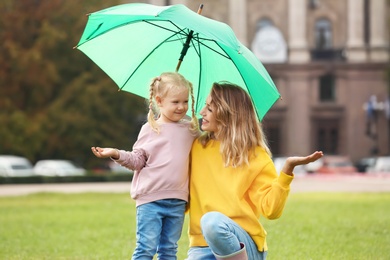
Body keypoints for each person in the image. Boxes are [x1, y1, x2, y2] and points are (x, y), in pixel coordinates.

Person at [186, 82, 323, 260]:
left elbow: (271, 210)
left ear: (228, 115)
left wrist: (287, 171)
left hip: (244, 244)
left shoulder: (255, 156)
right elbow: (182, 198)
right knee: (210, 224)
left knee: (211, 222)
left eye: (210, 109)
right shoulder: (196, 148)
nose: (201, 111)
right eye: (205, 105)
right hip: (201, 247)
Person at [91, 72, 199, 259]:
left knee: (169, 250)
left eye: (185, 101)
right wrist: (116, 153)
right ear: (159, 100)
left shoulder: (190, 130)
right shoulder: (150, 129)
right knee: (146, 248)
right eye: (175, 102)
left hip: (178, 201)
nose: (182, 107)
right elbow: (137, 161)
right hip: (150, 201)